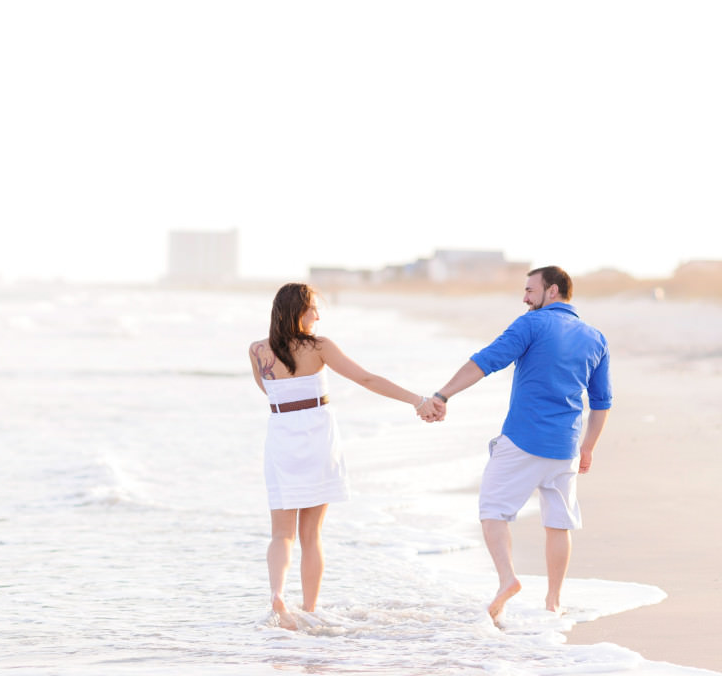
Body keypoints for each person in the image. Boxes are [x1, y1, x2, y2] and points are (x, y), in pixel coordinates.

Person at [418, 266, 612, 623]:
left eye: (529, 290)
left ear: (551, 291)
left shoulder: (531, 325)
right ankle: (553, 602)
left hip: (524, 438)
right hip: (566, 446)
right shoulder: (595, 338)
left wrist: (443, 394)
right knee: (558, 523)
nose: (524, 298)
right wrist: (589, 447)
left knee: (493, 511)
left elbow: (485, 361)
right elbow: (601, 402)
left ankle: (507, 580)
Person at [250, 282, 431, 630]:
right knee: (311, 534)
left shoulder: (257, 350)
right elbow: (366, 378)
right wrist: (417, 400)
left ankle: (277, 596)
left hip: (281, 436)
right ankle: (311, 607)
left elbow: (268, 391)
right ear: (296, 311)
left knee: (281, 534)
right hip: (317, 435)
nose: (317, 316)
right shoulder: (320, 346)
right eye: (313, 309)